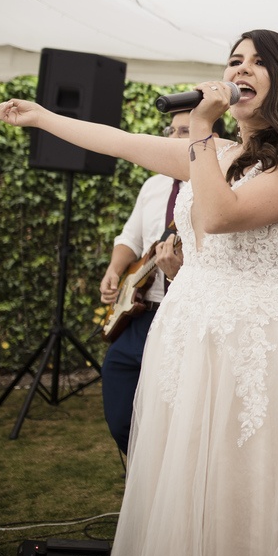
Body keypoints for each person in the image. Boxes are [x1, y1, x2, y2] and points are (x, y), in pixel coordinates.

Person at [0, 31, 278, 556]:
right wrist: (44, 117)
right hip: (189, 334)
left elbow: (220, 215)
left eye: (258, 62)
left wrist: (202, 130)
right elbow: (117, 139)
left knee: (250, 479)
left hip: (259, 343)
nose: (242, 70)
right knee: (188, 480)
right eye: (235, 61)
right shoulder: (212, 152)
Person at [99, 109, 192, 455]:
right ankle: (146, 481)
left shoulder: (218, 189)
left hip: (185, 319)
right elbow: (131, 238)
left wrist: (178, 272)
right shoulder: (153, 185)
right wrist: (114, 270)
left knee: (175, 416)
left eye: (187, 131)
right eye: (173, 130)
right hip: (139, 316)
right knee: (120, 411)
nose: (175, 137)